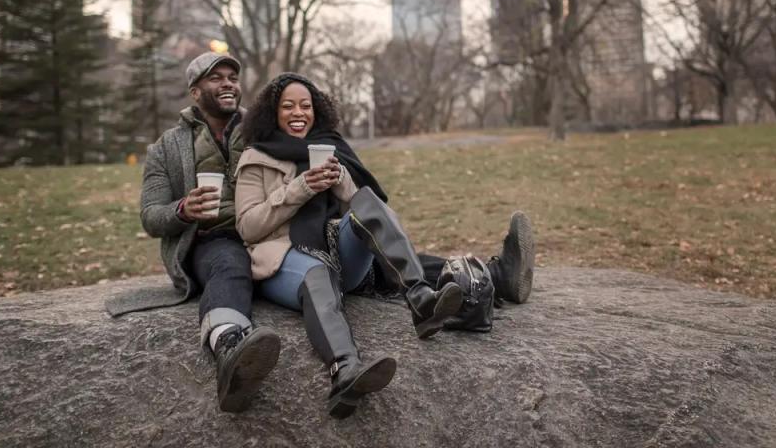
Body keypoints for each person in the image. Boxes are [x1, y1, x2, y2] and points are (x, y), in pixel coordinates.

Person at [234, 72, 535, 418]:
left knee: (367, 202)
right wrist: (300, 187)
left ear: (317, 110)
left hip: (338, 255)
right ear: (272, 113)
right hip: (285, 259)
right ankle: (345, 370)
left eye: (306, 105)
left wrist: (341, 179)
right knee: (317, 275)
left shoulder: (331, 147)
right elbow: (248, 227)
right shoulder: (255, 158)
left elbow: (366, 211)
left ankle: (421, 299)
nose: (298, 112)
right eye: (288, 106)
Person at [106, 51, 281, 413]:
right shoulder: (167, 147)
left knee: (330, 247)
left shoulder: (261, 131)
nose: (228, 83)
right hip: (212, 241)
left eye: (232, 76)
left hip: (267, 231)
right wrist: (183, 210)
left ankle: (423, 281)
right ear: (194, 91)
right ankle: (230, 348)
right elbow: (151, 216)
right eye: (216, 78)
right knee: (230, 263)